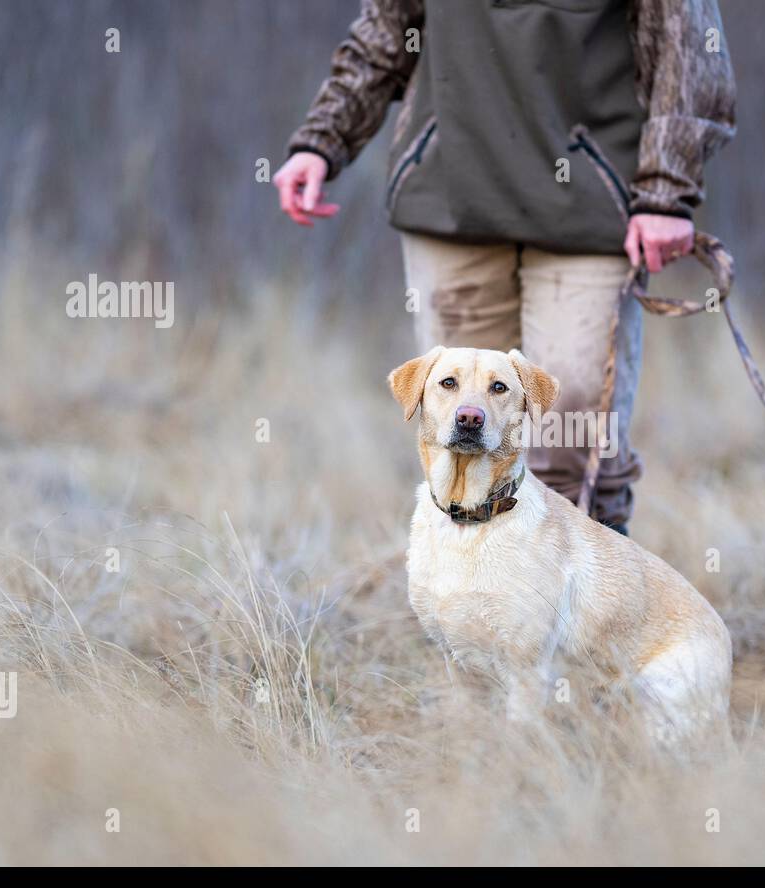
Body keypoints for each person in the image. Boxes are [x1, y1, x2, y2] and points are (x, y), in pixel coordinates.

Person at [275, 0, 735, 534]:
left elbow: (688, 56)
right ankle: (469, 610)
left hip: (591, 204)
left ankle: (581, 607)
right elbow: (383, 36)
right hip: (449, 200)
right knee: (460, 428)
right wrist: (321, 140)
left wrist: (665, 192)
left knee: (574, 430)